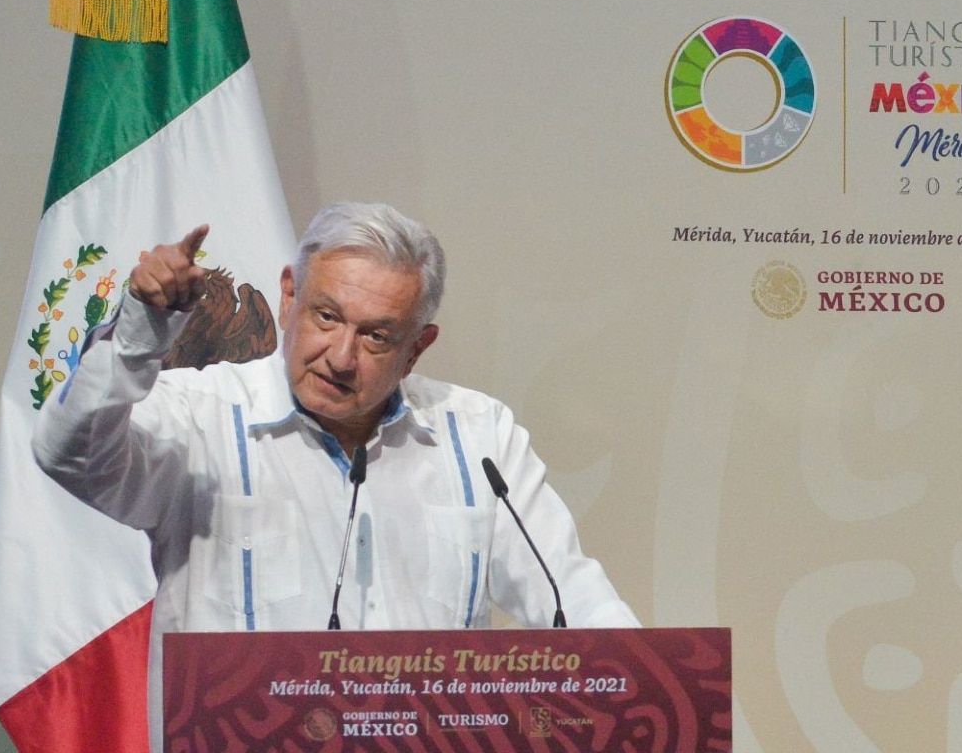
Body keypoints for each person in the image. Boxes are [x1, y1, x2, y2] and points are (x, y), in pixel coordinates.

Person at [32, 201, 638, 750]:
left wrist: (646, 687)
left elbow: (573, 596)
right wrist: (140, 335)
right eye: (327, 316)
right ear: (289, 296)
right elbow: (71, 454)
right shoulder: (201, 414)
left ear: (418, 347)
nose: (341, 357)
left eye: (376, 336)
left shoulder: (478, 436)